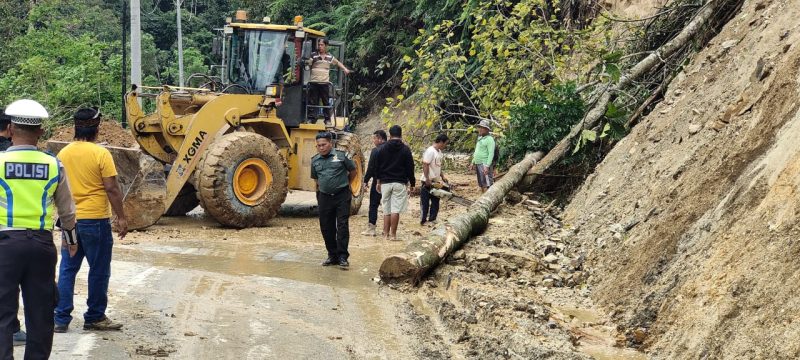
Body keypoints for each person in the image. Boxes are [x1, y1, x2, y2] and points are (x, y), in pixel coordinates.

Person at [0, 99, 77, 359]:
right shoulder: (54, 164)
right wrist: (72, 239)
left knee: (2, 313)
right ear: (40, 133)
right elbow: (67, 211)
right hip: (42, 246)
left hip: (5, 245)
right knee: (41, 312)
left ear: (10, 129)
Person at [54, 108, 127, 333]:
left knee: (67, 269)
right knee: (99, 270)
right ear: (96, 128)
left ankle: (60, 318)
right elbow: (112, 188)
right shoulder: (100, 154)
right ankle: (95, 316)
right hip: (96, 221)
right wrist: (121, 217)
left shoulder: (62, 155)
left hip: (70, 222)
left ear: (76, 126)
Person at [0, 107, 27, 347]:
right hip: (14, 229)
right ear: (10, 129)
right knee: (10, 285)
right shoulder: (8, 154)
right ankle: (13, 330)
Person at [311, 132, 357, 268]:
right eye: (318, 145)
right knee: (326, 227)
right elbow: (316, 178)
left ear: (330, 143)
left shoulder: (341, 156)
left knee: (342, 226)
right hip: (324, 197)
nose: (321, 148)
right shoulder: (314, 160)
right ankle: (332, 255)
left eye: (324, 145)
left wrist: (346, 184)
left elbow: (353, 171)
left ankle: (343, 256)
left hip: (342, 195)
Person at [368, 125, 415, 241]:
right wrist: (412, 183)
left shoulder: (382, 148)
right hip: (399, 183)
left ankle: (385, 233)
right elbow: (410, 167)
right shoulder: (405, 149)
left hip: (385, 183)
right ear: (401, 134)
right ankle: (393, 235)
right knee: (395, 209)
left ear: (389, 135)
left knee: (386, 209)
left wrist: (378, 181)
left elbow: (377, 167)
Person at [307, 39, 351, 126]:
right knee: (313, 101)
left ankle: (327, 120)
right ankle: (311, 119)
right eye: (319, 45)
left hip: (324, 83)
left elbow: (338, 63)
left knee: (325, 102)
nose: (320, 46)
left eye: (322, 45)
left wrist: (345, 69)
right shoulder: (313, 55)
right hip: (314, 82)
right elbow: (307, 64)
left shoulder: (330, 57)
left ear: (326, 46)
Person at [360, 130, 387, 237]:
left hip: (378, 182)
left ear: (380, 138)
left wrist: (365, 180)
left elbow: (371, 167)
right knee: (389, 206)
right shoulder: (392, 150)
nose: (373, 141)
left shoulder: (376, 150)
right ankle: (387, 231)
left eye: (374, 138)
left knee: (374, 205)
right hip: (392, 181)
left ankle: (371, 229)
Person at [420, 134, 449, 226]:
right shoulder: (430, 151)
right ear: (441, 142)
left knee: (436, 200)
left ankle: (433, 218)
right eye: (445, 144)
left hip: (436, 180)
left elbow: (438, 166)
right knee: (425, 202)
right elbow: (425, 165)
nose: (445, 146)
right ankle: (423, 220)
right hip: (428, 180)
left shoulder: (439, 152)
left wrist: (442, 176)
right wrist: (427, 178)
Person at [470, 120, 496, 193]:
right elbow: (476, 151)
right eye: (479, 127)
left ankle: (489, 198)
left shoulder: (490, 139)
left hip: (484, 163)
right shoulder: (480, 138)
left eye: (482, 128)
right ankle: (483, 197)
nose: (480, 129)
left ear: (487, 129)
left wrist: (487, 166)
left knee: (487, 183)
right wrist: (473, 162)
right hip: (478, 163)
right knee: (481, 183)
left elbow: (491, 153)